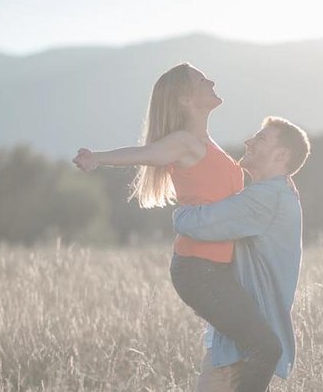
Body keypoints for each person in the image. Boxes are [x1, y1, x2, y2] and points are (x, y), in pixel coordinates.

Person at [72, 63, 280, 391]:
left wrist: (280, 183)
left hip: (219, 269)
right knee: (266, 347)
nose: (211, 80)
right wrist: (97, 157)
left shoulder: (207, 143)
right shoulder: (183, 142)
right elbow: (147, 154)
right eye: (201, 80)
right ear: (185, 100)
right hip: (199, 270)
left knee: (237, 350)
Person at [173, 116, 311, 392]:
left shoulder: (266, 198)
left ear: (280, 155)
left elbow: (197, 224)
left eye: (260, 139)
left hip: (238, 352)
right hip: (239, 340)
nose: (249, 141)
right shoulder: (272, 193)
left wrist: (180, 212)